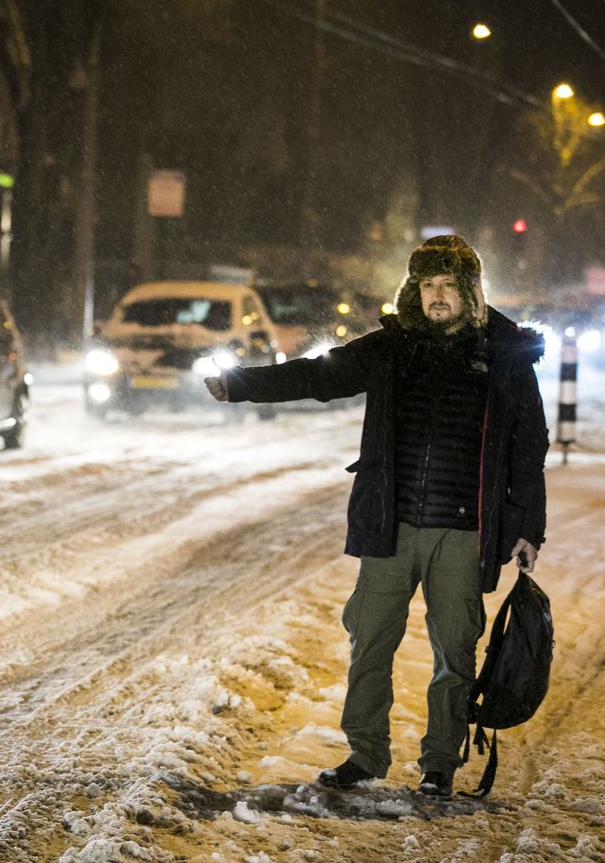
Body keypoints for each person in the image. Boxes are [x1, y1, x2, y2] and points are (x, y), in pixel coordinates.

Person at [204, 235, 548, 798]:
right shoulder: (393, 347)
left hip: (464, 531)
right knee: (369, 639)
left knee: (455, 652)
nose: (437, 296)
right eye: (427, 285)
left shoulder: (504, 356)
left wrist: (527, 526)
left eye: (449, 286)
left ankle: (439, 762)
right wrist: (242, 384)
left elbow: (528, 446)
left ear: (471, 291)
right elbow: (319, 375)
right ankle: (365, 753)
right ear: (414, 289)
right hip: (392, 524)